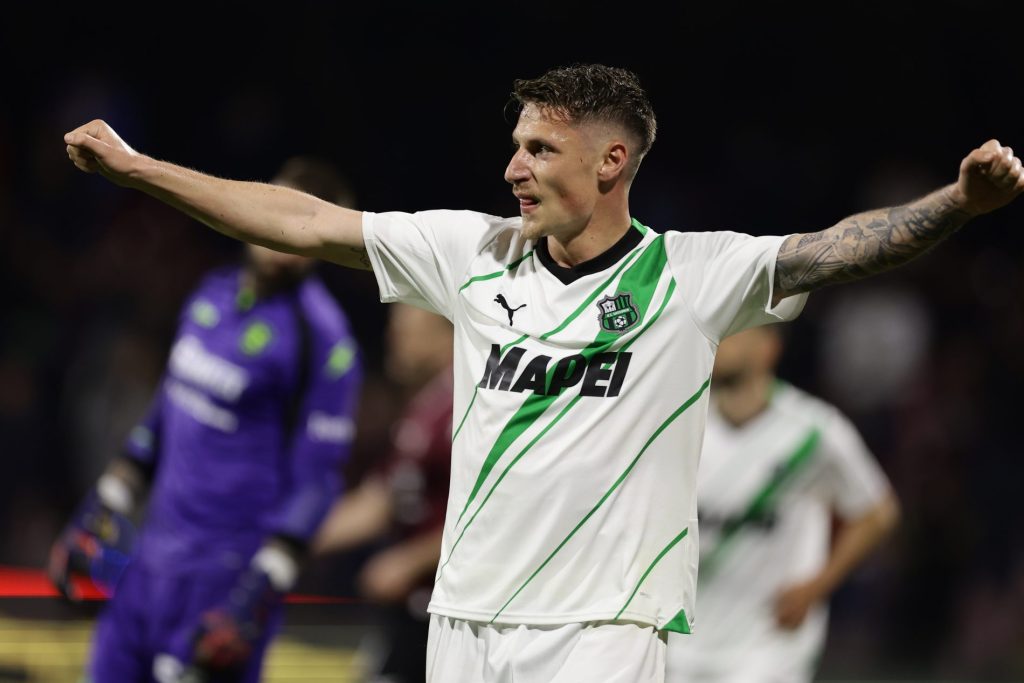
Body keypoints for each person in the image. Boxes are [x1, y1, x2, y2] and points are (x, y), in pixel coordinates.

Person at [63, 64, 1023, 682]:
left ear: (612, 162)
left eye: (539, 149)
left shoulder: (691, 276)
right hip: (463, 620)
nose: (513, 167)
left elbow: (840, 249)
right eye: (515, 145)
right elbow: (304, 220)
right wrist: (140, 170)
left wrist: (956, 203)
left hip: (602, 631)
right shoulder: (473, 253)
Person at [48, 158, 362, 683]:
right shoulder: (212, 290)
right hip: (148, 563)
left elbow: (318, 480)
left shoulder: (324, 340)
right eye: (274, 209)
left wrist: (261, 587)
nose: (282, 232)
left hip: (223, 587)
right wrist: (105, 503)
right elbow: (165, 411)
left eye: (304, 219)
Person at [665, 325, 900, 683]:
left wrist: (816, 586)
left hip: (770, 641)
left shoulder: (813, 431)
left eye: (735, 332)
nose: (720, 341)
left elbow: (877, 513)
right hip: (685, 636)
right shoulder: (684, 423)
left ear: (768, 348)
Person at [315, 302, 454, 683]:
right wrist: (285, 539)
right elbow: (379, 500)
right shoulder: (425, 405)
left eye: (406, 328)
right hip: (413, 611)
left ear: (447, 333)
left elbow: (498, 512)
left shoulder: (471, 407)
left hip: (453, 616)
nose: (392, 337)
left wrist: (410, 561)